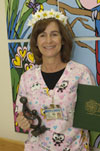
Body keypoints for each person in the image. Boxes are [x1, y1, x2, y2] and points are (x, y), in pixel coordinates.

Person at [16, 9, 95, 151]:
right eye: (42, 35)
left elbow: (92, 117)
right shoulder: (27, 78)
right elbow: (22, 113)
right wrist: (22, 121)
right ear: (36, 41)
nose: (48, 41)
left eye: (54, 34)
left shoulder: (81, 73)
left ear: (63, 40)